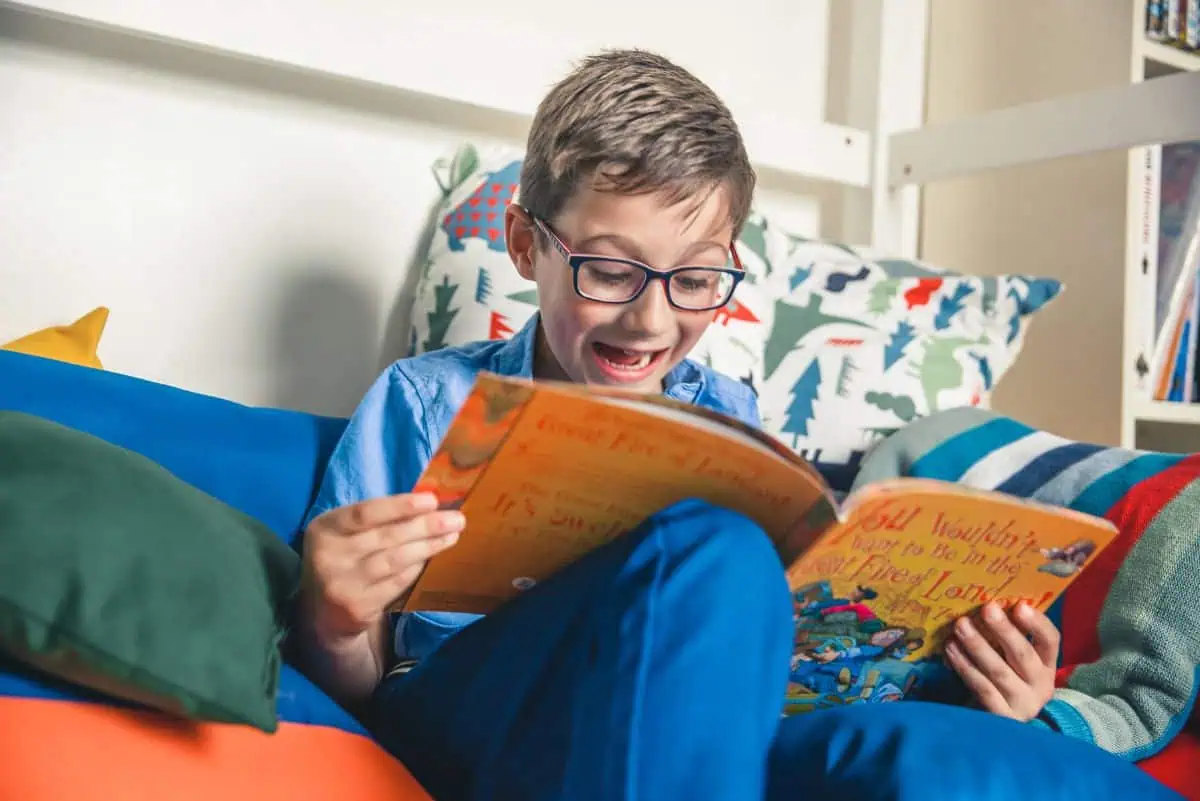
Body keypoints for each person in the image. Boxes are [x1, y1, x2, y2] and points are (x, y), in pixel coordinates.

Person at [290, 49, 1061, 801]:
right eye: (611, 271)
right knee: (715, 548)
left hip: (666, 724)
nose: (650, 318)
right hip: (475, 713)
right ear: (527, 246)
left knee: (876, 724)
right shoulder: (426, 401)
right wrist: (332, 623)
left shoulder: (730, 411)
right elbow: (357, 687)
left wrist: (976, 682)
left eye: (695, 279)